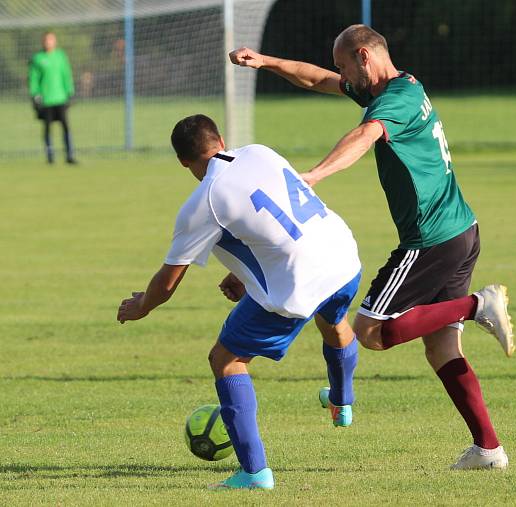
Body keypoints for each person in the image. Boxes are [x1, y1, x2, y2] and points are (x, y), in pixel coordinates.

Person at [229, 24, 515, 470]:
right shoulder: (401, 87)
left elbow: (365, 136)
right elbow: (316, 78)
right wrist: (266, 62)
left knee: (371, 331)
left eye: (344, 64)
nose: (339, 74)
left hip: (432, 240)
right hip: (462, 231)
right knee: (442, 350)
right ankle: (489, 449)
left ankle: (477, 306)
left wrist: (316, 175)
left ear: (365, 56)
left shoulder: (392, 103)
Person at [117, 114, 362, 489]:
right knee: (333, 319)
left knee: (226, 359)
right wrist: (243, 275)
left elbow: (168, 282)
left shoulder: (204, 200)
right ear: (221, 139)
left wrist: (141, 306)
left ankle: (254, 472)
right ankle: (342, 402)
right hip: (342, 256)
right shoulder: (259, 152)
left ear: (183, 161)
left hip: (298, 280)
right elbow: (278, 220)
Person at [28, 31, 77, 164]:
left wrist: (70, 92)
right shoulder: (38, 58)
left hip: (60, 98)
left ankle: (70, 155)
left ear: (54, 41)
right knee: (47, 127)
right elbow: (33, 79)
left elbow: (66, 75)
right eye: (46, 40)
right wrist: (35, 95)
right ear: (43, 42)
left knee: (66, 126)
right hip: (46, 99)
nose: (48, 42)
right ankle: (50, 156)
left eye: (51, 40)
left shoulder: (61, 56)